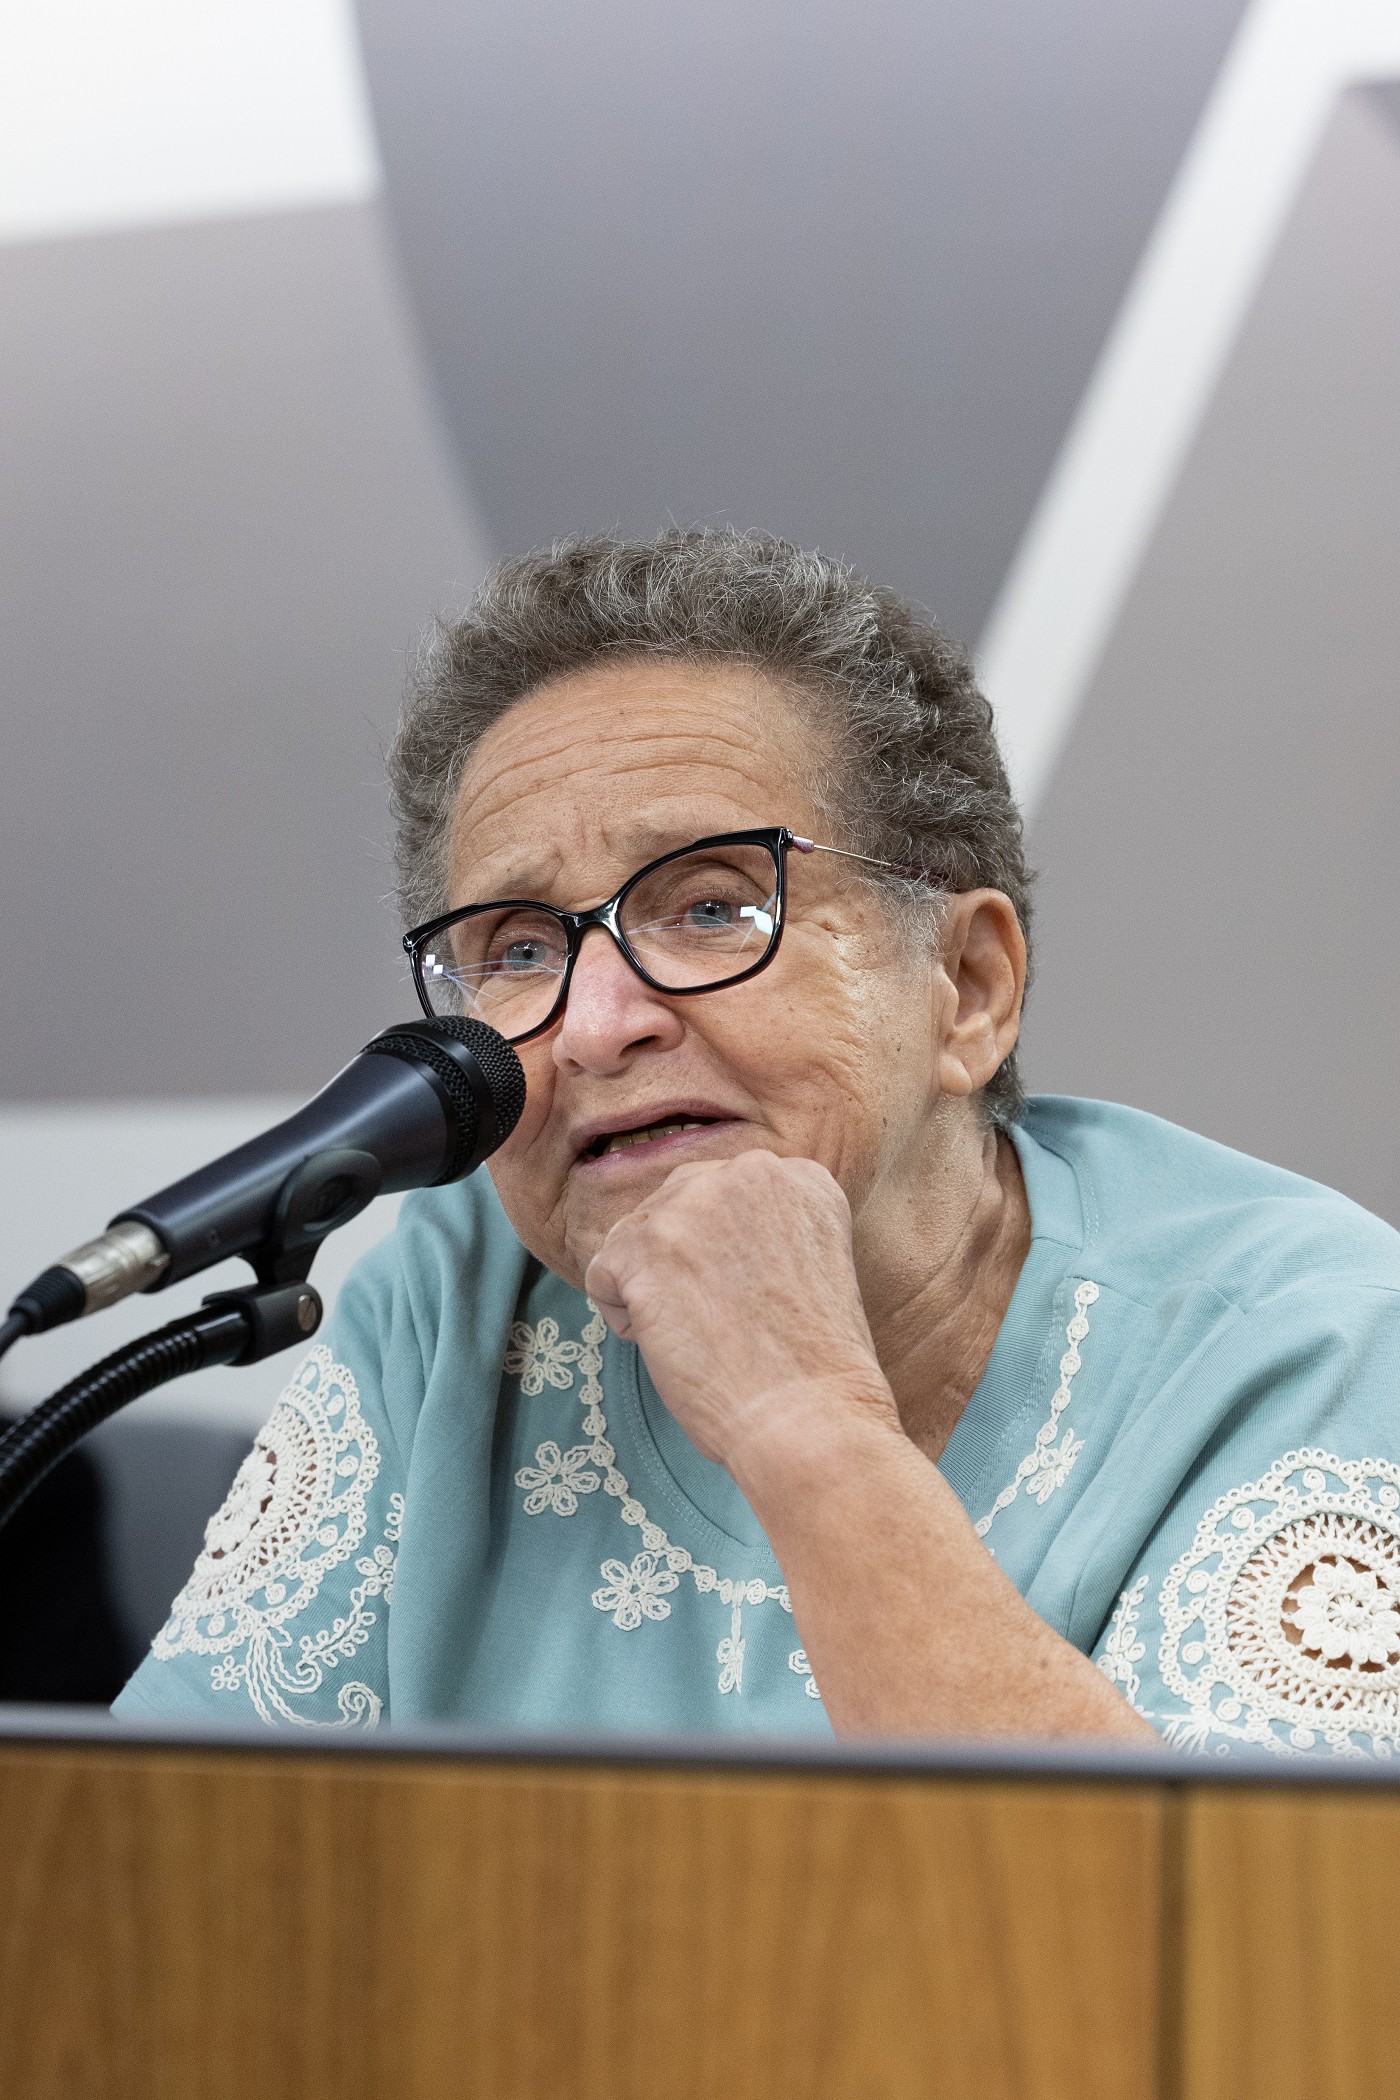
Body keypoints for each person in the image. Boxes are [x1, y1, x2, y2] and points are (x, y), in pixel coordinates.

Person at [114, 530, 1400, 1755]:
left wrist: (805, 1421)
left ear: (967, 988)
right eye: (519, 948)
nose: (597, 1027)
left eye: (712, 907)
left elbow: (1207, 1910)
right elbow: (165, 1868)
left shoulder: (1304, 1341)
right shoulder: (455, 1295)